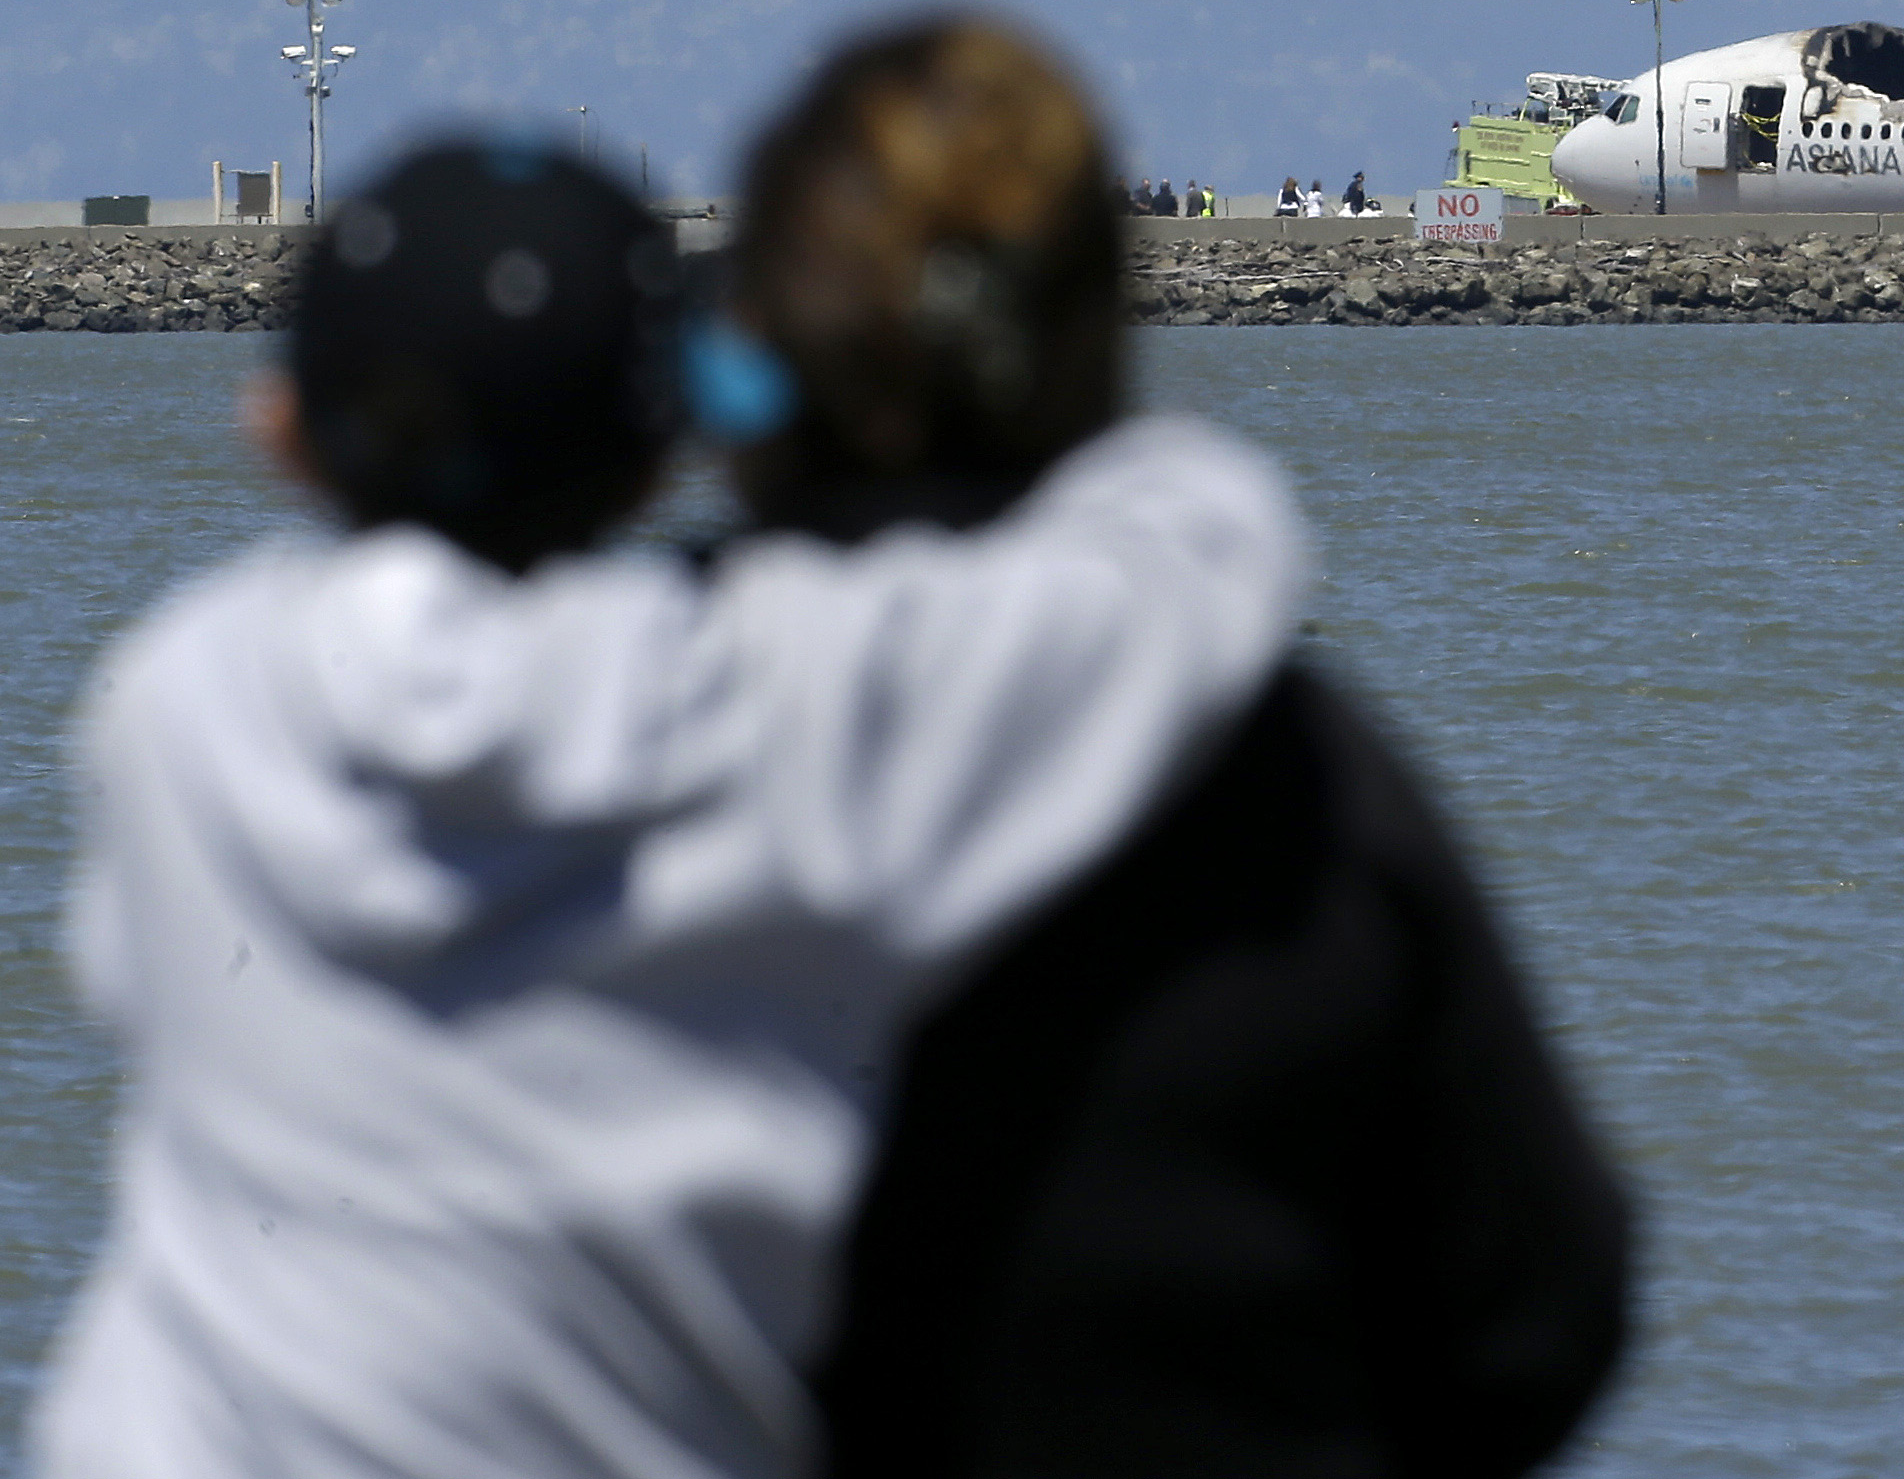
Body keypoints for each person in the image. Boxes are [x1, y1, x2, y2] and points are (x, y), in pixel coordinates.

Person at [40, 85, 1311, 1477]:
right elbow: (1196, 554)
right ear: (664, 460)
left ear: (279, 434)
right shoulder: (772, 704)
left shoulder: (177, 703)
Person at [721, 19, 1630, 1476]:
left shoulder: (599, 744)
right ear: (1096, 338)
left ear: (753, 343)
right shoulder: (1293, 776)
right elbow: (1543, 1311)